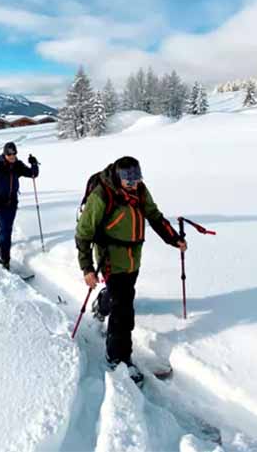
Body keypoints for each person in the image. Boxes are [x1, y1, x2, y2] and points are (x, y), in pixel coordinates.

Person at [75, 156, 186, 384]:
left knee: (121, 297)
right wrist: (87, 268)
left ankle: (102, 303)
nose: (134, 185)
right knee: (124, 310)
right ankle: (117, 359)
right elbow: (83, 234)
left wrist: (174, 239)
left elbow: (154, 217)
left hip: (133, 258)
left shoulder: (141, 191)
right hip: (111, 259)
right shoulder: (102, 195)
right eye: (129, 182)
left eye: (137, 180)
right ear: (119, 178)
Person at [0, 142, 39, 270]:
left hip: (12, 203)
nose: (12, 156)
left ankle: (2, 253)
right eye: (9, 154)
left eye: (14, 154)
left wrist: (34, 163)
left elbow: (33, 174)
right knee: (5, 228)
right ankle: (4, 259)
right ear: (5, 154)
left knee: (7, 229)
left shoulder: (18, 165)